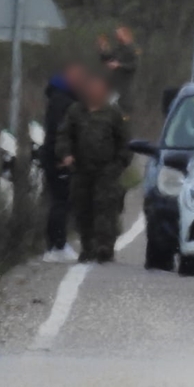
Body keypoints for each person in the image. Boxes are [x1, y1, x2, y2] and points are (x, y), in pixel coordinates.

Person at [55, 76, 132, 264]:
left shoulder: (113, 114)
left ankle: (105, 246)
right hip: (81, 169)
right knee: (83, 208)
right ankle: (87, 246)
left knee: (106, 207)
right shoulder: (75, 112)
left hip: (107, 169)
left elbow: (125, 142)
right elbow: (64, 136)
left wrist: (119, 163)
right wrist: (66, 154)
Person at [39, 62, 87, 263]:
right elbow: (58, 133)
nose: (81, 82)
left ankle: (57, 244)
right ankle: (56, 246)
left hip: (57, 157)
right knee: (61, 202)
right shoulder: (61, 102)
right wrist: (62, 157)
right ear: (69, 78)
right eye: (78, 78)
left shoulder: (64, 98)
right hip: (58, 159)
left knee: (62, 201)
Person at [103, 26, 140, 115]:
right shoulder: (118, 49)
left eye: (119, 34)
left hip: (125, 87)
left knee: (122, 109)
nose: (117, 36)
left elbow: (134, 65)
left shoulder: (132, 49)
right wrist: (103, 50)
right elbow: (107, 57)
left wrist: (119, 65)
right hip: (114, 85)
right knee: (110, 105)